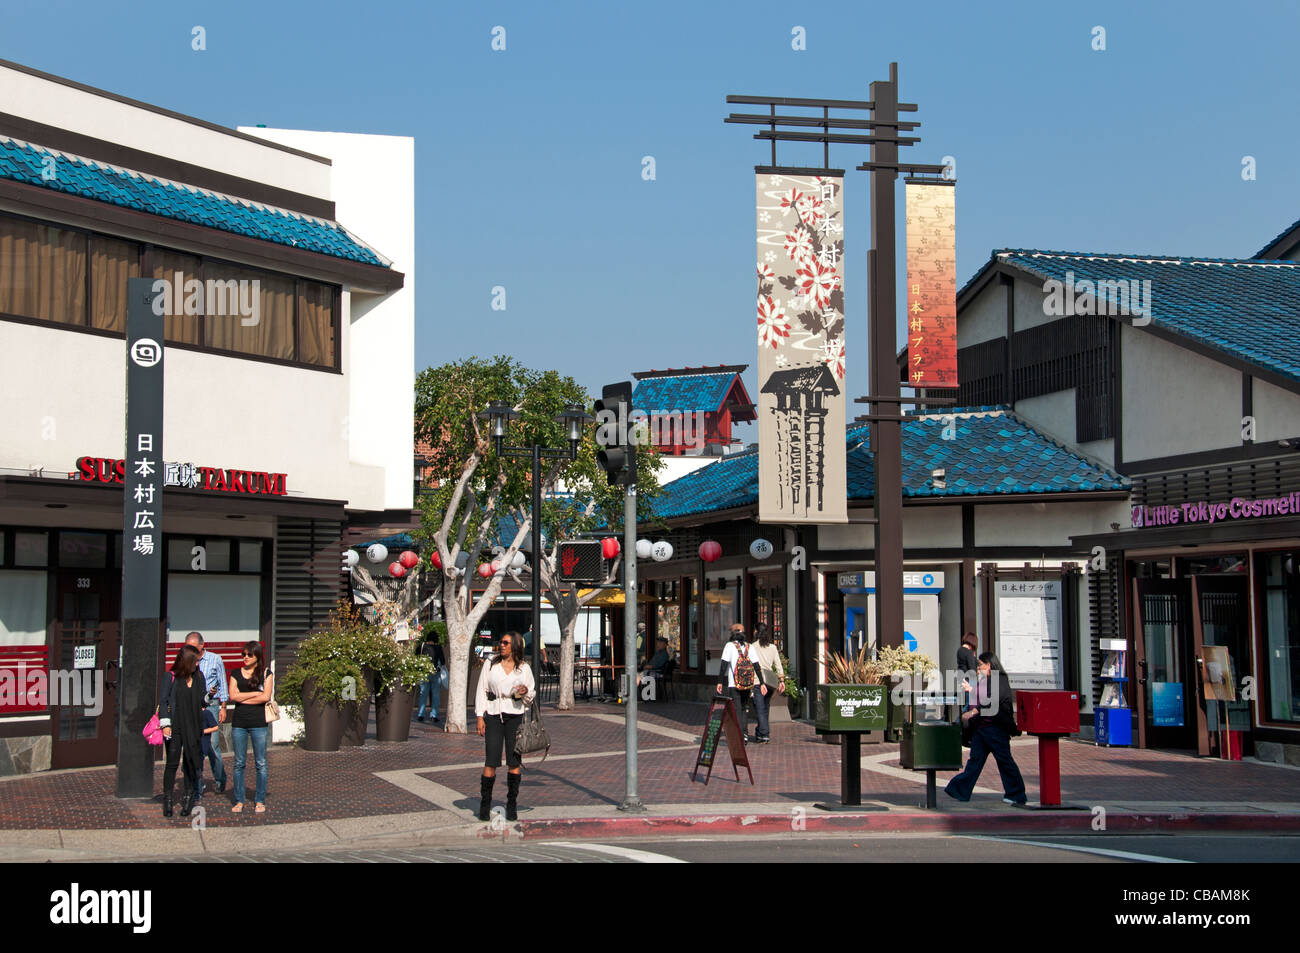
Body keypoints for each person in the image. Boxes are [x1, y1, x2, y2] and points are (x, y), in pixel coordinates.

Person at [944, 652, 1027, 805]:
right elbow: (982, 696)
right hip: (981, 729)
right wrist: (971, 690)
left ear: (989, 665)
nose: (978, 668)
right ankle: (960, 789)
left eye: (980, 664)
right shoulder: (987, 680)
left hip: (995, 728)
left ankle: (1016, 794)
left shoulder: (999, 680)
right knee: (975, 761)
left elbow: (992, 701)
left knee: (1004, 760)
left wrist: (973, 712)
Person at [475, 632, 535, 822]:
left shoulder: (523, 668)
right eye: (500, 642)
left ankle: (512, 804)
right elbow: (482, 690)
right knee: (491, 759)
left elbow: (530, 693)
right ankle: (485, 804)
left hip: (515, 715)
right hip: (493, 714)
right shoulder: (491, 663)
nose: (501, 645)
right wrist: (479, 716)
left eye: (505, 643)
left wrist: (524, 692)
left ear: (515, 646)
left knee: (514, 760)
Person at [158, 644, 206, 818]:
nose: (197, 664)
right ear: (187, 661)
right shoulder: (170, 677)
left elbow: (202, 701)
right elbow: (163, 701)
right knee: (172, 763)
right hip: (175, 725)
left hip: (193, 726)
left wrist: (209, 697)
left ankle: (188, 798)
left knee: (190, 763)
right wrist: (166, 724)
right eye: (195, 661)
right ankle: (168, 800)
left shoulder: (199, 677)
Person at [227, 641, 273, 814]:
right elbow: (232, 696)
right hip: (239, 722)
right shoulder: (235, 673)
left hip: (259, 723)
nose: (245, 657)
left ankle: (259, 800)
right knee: (239, 763)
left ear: (257, 656)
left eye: (249, 655)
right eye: (243, 654)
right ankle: (239, 800)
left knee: (260, 763)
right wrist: (255, 693)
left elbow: (266, 697)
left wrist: (243, 697)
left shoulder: (266, 673)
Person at [184, 631, 228, 797]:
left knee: (212, 745)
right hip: (192, 707)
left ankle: (219, 779)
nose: (189, 649)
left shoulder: (215, 659)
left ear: (202, 646)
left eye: (193, 646)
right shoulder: (186, 660)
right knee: (196, 747)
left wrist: (223, 706)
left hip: (211, 705)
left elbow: (222, 683)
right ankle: (198, 785)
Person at [716, 623, 763, 742]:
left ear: (732, 634)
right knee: (743, 709)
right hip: (747, 684)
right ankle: (745, 734)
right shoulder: (749, 647)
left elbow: (723, 665)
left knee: (736, 709)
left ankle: (740, 736)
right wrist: (762, 682)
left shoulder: (729, 646)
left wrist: (720, 682)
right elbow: (757, 666)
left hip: (734, 684)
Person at [747, 624, 785, 743]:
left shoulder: (752, 647)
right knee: (765, 708)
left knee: (759, 708)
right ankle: (760, 732)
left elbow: (749, 666)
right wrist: (782, 680)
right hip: (770, 682)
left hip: (758, 682)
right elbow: (778, 664)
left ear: (756, 632)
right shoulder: (772, 647)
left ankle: (764, 734)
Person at [416, 633, 446, 723]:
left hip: (423, 672)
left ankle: (421, 714)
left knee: (423, 694)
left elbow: (416, 656)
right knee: (435, 695)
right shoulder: (438, 648)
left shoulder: (421, 646)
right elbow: (443, 661)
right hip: (435, 673)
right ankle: (434, 715)